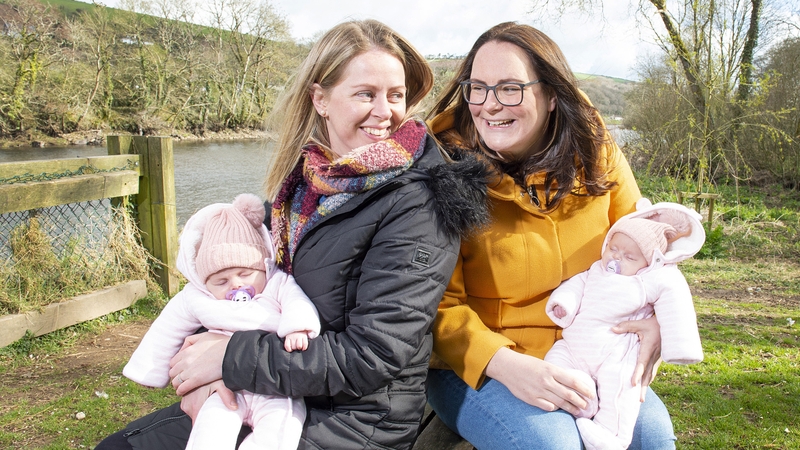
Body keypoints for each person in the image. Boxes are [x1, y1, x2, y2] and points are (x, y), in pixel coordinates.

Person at [96, 19, 488, 450]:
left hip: (355, 420)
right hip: (272, 389)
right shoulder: (305, 186)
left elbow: (373, 355)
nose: (385, 111)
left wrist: (228, 359)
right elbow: (241, 292)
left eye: (396, 95)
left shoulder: (419, 203)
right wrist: (208, 372)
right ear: (320, 98)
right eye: (365, 94)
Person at [426, 21, 678, 449]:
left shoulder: (597, 154)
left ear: (551, 96)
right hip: (474, 366)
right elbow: (436, 307)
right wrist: (505, 365)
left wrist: (656, 323)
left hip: (588, 353)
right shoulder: (440, 168)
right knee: (554, 445)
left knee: (652, 437)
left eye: (510, 88)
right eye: (478, 87)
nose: (489, 105)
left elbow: (648, 244)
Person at [122, 193, 320, 450]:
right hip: (224, 386)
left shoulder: (276, 284)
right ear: (205, 283)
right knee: (211, 427)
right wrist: (148, 370)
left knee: (281, 428)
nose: (236, 284)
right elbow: (166, 329)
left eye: (245, 273)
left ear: (262, 266)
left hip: (274, 385)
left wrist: (299, 327)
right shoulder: (198, 298)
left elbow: (297, 301)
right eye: (221, 281)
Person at [545, 199, 705, 450]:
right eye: (613, 248)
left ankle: (611, 436)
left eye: (629, 256)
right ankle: (583, 403)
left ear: (647, 263)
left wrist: (679, 346)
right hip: (575, 345)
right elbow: (576, 286)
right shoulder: (596, 270)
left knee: (623, 387)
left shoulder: (647, 280)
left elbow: (676, 302)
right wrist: (562, 306)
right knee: (556, 365)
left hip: (617, 350)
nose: (616, 257)